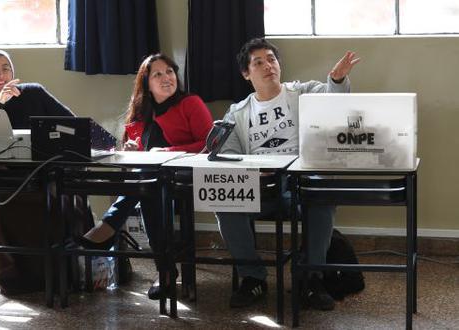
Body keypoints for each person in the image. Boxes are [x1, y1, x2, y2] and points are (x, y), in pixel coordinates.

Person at [215, 38, 360, 310]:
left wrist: (337, 80)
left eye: (271, 59)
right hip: (260, 185)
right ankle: (252, 277)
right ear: (246, 73)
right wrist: (251, 171)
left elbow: (334, 104)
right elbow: (229, 156)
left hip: (300, 181)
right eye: (258, 62)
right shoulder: (237, 113)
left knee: (321, 193)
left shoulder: (303, 93)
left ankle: (311, 278)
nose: (268, 65)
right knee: (224, 198)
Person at [76, 53, 214, 299]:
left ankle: (110, 227)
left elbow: (209, 143)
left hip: (189, 174)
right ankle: (165, 270)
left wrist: (167, 152)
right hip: (153, 179)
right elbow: (137, 150)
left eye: (170, 72)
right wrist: (130, 149)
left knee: (148, 180)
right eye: (158, 74)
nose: (166, 78)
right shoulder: (142, 112)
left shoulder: (190, 103)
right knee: (149, 184)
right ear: (146, 83)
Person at [0, 49, 94, 295]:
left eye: (5, 68)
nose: (1, 75)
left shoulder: (33, 91)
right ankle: (15, 279)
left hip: (48, 175)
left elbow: (73, 125)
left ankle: (60, 276)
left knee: (57, 201)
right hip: (8, 182)